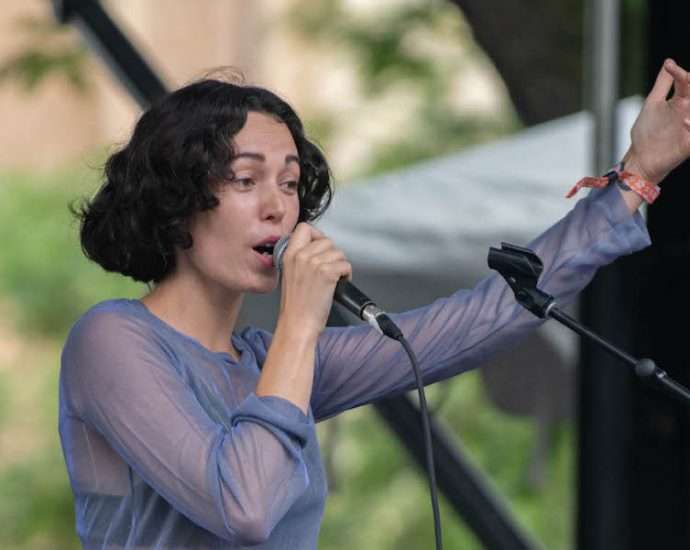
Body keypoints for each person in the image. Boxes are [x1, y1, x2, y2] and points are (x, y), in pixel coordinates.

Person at [59, 58, 690, 549]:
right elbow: (243, 505)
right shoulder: (113, 340)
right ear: (175, 199)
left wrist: (637, 177)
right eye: (245, 180)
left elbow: (484, 317)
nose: (278, 205)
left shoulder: (269, 362)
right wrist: (301, 322)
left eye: (288, 183)